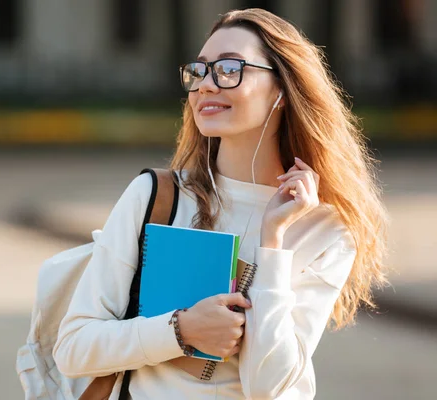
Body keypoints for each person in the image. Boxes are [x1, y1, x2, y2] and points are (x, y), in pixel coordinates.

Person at [53, 8, 389, 400]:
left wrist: (272, 242)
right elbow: (74, 348)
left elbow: (270, 387)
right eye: (198, 71)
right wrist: (180, 330)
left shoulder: (325, 229)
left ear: (281, 88)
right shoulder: (156, 197)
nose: (206, 86)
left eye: (230, 69)